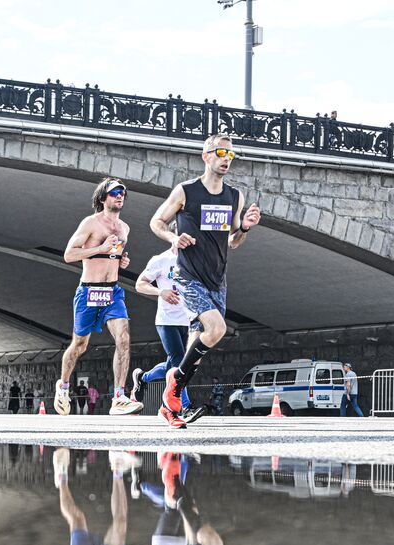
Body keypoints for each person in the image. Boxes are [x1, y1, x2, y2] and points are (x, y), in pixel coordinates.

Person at [148, 134, 261, 428]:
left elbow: (234, 242)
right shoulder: (186, 191)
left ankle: (170, 409)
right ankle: (173, 386)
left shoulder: (234, 196)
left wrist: (245, 228)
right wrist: (174, 238)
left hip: (217, 280)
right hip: (189, 276)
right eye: (221, 152)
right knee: (217, 329)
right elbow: (156, 222)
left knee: (196, 347)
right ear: (206, 156)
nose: (226, 159)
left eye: (231, 155)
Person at [54, 178, 142, 416]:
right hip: (88, 291)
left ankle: (119, 396)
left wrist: (120, 260)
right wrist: (100, 249)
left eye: (122, 192)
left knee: (123, 339)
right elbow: (69, 254)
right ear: (103, 197)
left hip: (112, 291)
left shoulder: (125, 228)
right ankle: (62, 386)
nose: (119, 196)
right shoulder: (90, 223)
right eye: (114, 192)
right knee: (79, 345)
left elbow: (113, 256)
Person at [131, 236, 197, 422]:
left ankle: (143, 377)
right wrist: (161, 292)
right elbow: (140, 284)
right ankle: (184, 406)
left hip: (190, 320)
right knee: (178, 362)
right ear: (173, 236)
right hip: (167, 321)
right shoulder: (160, 260)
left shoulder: (196, 260)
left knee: (178, 365)